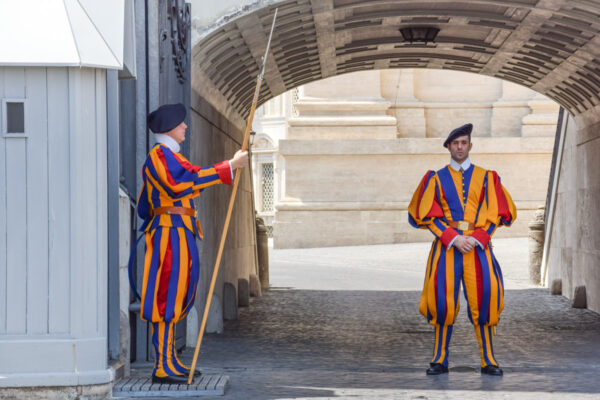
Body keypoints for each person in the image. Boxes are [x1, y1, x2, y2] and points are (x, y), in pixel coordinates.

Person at [133, 103, 248, 384]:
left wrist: (227, 169)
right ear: (169, 127)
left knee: (178, 296)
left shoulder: (172, 156)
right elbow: (181, 183)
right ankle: (161, 365)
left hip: (180, 232)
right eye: (181, 123)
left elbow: (189, 175)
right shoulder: (159, 156)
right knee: (166, 298)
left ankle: (170, 360)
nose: (185, 127)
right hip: (169, 234)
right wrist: (228, 167)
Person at [408, 123, 516, 376]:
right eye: (455, 143)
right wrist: (453, 238)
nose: (460, 147)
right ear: (448, 146)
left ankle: (489, 359)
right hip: (446, 248)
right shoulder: (435, 178)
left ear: (470, 145)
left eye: (464, 142)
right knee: (442, 302)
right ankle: (439, 359)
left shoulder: (488, 178)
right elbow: (426, 215)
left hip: (478, 249)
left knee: (486, 300)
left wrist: (477, 238)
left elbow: (497, 215)